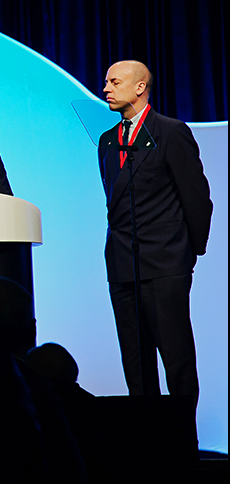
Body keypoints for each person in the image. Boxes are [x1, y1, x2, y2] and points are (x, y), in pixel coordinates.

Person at [98, 60, 212, 404]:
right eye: (106, 82)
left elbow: (196, 198)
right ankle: (148, 444)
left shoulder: (170, 131)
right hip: (121, 264)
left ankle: (182, 446)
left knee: (176, 361)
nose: (106, 88)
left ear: (139, 87)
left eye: (114, 82)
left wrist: (187, 252)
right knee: (135, 362)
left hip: (165, 264)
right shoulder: (107, 141)